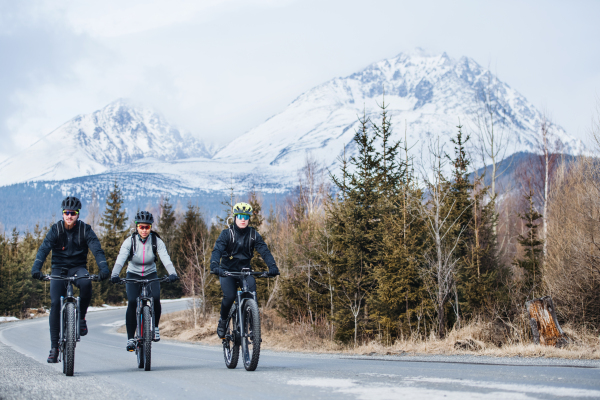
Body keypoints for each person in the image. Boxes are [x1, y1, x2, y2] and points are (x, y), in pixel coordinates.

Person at [31, 196, 110, 363]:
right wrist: (36, 268)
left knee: (86, 284)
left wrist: (103, 268)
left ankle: (81, 318)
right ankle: (54, 347)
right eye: (66, 213)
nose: (69, 216)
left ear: (77, 214)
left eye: (72, 213)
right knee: (54, 303)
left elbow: (97, 249)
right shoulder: (56, 229)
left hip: (78, 268)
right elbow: (44, 249)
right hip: (58, 269)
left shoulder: (84, 229)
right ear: (62, 213)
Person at [111, 211, 179, 352]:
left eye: (147, 227)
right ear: (136, 227)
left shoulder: (156, 241)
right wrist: (115, 274)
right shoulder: (129, 241)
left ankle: (154, 326)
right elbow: (121, 258)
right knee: (132, 302)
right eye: (141, 227)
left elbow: (165, 258)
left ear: (150, 228)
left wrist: (172, 272)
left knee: (155, 298)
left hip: (150, 273)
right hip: (133, 274)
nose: (144, 230)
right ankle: (131, 338)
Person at [210, 202, 279, 338]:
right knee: (229, 297)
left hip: (245, 272)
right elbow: (217, 250)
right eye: (240, 216)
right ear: (235, 217)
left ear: (248, 219)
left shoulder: (253, 235)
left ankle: (253, 328)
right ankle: (223, 321)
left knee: (252, 293)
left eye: (246, 217)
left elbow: (264, 251)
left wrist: (272, 267)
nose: (243, 219)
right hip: (227, 272)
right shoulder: (227, 234)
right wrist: (214, 265)